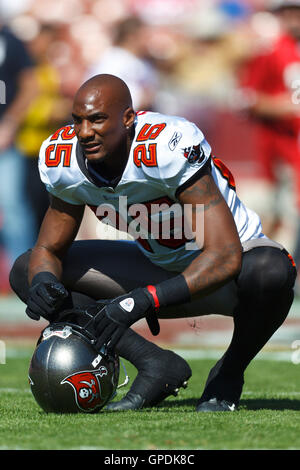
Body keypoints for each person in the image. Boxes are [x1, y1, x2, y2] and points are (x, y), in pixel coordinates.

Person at [9, 74, 296, 412]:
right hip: (156, 264)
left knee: (272, 270)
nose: (85, 132)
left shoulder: (166, 146)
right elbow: (48, 250)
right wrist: (44, 281)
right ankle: (154, 363)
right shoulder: (65, 159)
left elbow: (224, 255)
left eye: (97, 119)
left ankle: (228, 373)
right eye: (78, 121)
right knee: (26, 270)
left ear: (128, 118)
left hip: (228, 268)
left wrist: (141, 301)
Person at [240, 0, 300, 261]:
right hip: (282, 150)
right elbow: (247, 99)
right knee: (279, 214)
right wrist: (282, 107)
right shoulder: (271, 51)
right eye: (288, 12)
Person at [0, 21, 38, 272]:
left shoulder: (10, 40)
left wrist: (10, 123)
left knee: (12, 206)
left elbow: (31, 86)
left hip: (5, 140)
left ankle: (26, 275)